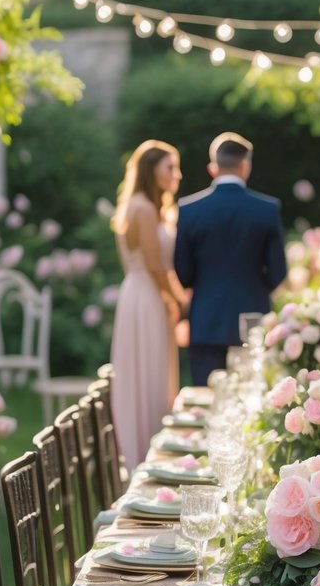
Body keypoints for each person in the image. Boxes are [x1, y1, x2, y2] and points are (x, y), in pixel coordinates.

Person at [174, 131, 288, 384]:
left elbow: (182, 272)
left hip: (205, 319)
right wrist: (255, 287)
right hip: (252, 319)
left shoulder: (189, 210)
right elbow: (279, 271)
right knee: (250, 406)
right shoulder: (266, 209)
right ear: (245, 164)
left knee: (205, 400)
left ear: (214, 167)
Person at [109, 140, 187, 470]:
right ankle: (149, 452)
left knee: (151, 372)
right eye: (170, 167)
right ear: (150, 170)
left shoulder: (141, 206)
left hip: (139, 296)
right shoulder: (144, 209)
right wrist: (179, 301)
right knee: (151, 372)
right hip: (148, 298)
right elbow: (156, 266)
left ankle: (151, 449)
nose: (177, 175)